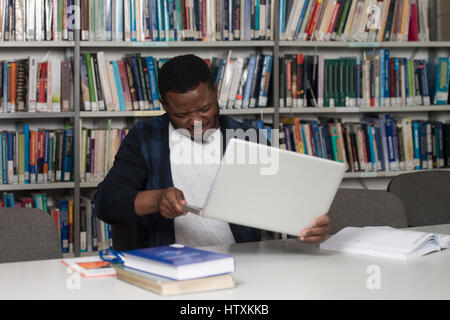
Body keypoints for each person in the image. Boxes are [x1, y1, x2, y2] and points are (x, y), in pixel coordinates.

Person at [94, 54, 330, 248]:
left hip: (241, 264)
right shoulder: (146, 137)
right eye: (182, 115)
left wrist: (309, 225)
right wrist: (156, 199)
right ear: (164, 105)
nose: (196, 121)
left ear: (215, 91)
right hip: (169, 264)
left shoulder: (250, 140)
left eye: (204, 108)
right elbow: (106, 202)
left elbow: (284, 204)